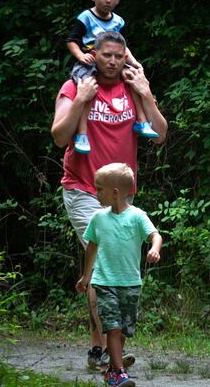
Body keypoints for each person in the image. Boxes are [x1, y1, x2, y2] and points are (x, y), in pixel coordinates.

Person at [51, 30, 167, 368]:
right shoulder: (75, 86)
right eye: (107, 55)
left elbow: (160, 136)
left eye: (119, 55)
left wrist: (146, 93)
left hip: (121, 193)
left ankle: (101, 348)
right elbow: (59, 137)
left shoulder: (133, 85)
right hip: (83, 187)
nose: (114, 62)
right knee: (103, 261)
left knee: (110, 264)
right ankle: (102, 350)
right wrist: (81, 100)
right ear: (94, 55)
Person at [76, 163, 162, 387]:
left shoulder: (137, 216)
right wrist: (86, 277)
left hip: (131, 283)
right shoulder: (98, 218)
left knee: (123, 330)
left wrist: (154, 248)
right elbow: (91, 249)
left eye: (99, 189)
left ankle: (112, 369)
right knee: (112, 327)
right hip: (104, 282)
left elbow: (155, 235)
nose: (95, 194)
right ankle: (119, 373)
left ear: (114, 192)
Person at [66, 0, 158, 154]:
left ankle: (141, 121)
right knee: (87, 90)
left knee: (133, 78)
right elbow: (72, 40)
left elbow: (122, 47)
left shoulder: (118, 21)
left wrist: (133, 62)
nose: (108, 0)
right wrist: (80, 56)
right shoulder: (86, 17)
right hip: (89, 61)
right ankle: (82, 133)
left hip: (114, 60)